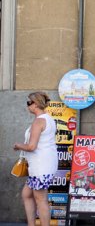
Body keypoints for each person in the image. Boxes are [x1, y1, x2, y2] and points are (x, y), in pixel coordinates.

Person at [14, 92, 57, 226]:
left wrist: (18, 145)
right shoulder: (48, 119)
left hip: (40, 166)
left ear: (36, 104)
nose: (27, 106)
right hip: (44, 165)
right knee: (27, 194)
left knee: (41, 199)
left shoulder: (39, 121)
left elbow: (32, 146)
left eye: (29, 103)